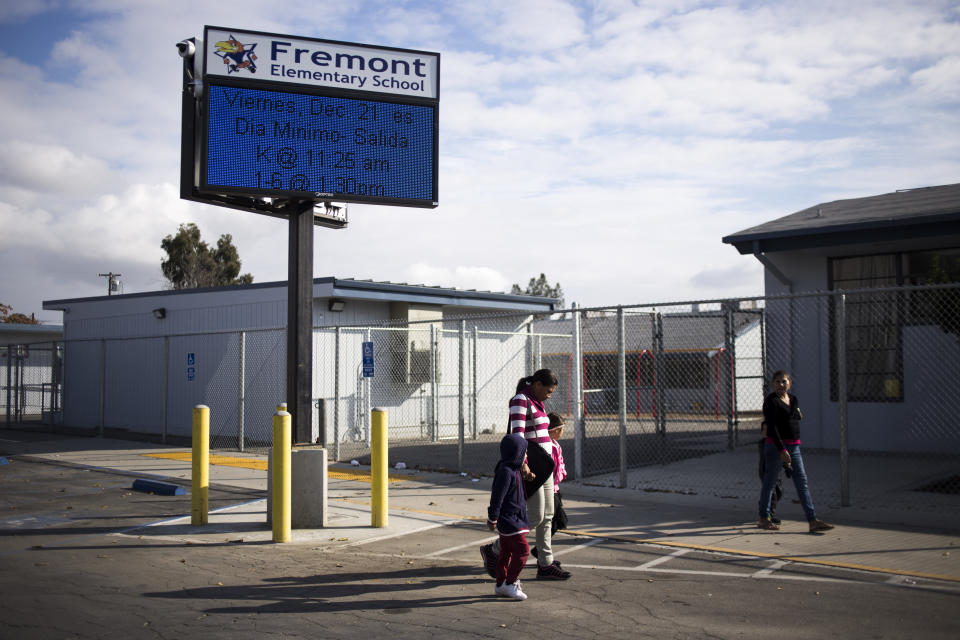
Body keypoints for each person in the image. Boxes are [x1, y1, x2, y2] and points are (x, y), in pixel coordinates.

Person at [481, 369, 572, 580]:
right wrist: (523, 464)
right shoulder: (521, 400)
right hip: (532, 468)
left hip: (545, 466)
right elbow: (516, 436)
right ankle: (494, 549)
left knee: (548, 515)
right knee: (535, 516)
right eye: (548, 391)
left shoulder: (538, 402)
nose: (549, 395)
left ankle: (546, 564)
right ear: (537, 384)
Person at [758, 370, 834, 533]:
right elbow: (771, 428)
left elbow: (794, 418)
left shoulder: (793, 399)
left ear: (790, 383)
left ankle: (812, 520)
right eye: (777, 381)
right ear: (773, 384)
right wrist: (781, 450)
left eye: (784, 381)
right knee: (769, 483)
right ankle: (764, 518)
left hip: (794, 447)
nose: (781, 384)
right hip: (776, 448)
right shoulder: (771, 401)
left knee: (802, 482)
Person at [487, 433, 531, 600]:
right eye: (524, 452)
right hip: (510, 520)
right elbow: (497, 497)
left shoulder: (514, 468)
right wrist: (493, 517)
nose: (526, 456)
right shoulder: (506, 471)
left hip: (514, 518)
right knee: (523, 551)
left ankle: (500, 584)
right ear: (516, 452)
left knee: (506, 552)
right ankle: (510, 584)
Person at [532, 412, 568, 560]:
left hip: (555, 489)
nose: (562, 433)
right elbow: (550, 469)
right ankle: (540, 551)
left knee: (557, 521)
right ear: (554, 430)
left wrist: (562, 473)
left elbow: (560, 465)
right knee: (549, 521)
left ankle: (540, 550)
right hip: (550, 489)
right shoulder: (549, 447)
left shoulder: (556, 446)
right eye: (560, 430)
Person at [757, 421, 783, 525]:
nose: (767, 432)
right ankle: (770, 515)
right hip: (766, 471)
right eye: (764, 430)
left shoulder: (777, 443)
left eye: (769, 430)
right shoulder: (763, 443)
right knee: (773, 494)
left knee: (779, 491)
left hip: (777, 471)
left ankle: (763, 504)